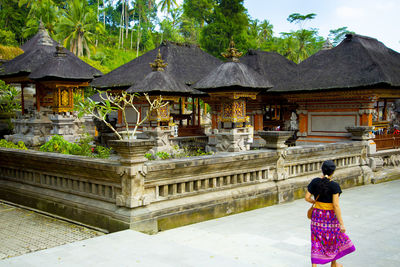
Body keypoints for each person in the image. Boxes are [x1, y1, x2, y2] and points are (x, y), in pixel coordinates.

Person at [305, 160, 355, 266]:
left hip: (317, 215)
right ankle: (333, 264)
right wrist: (341, 223)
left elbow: (307, 197)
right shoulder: (334, 186)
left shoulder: (315, 181)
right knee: (333, 239)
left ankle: (314, 265)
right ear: (333, 172)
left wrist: (315, 202)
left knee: (316, 241)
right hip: (330, 217)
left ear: (322, 170)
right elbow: (336, 206)